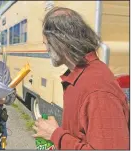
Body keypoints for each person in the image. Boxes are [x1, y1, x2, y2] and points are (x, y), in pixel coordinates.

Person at [33, 7, 129, 150]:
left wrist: (56, 135)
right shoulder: (80, 76)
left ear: (60, 40)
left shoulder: (97, 89)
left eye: (46, 40)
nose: (44, 45)